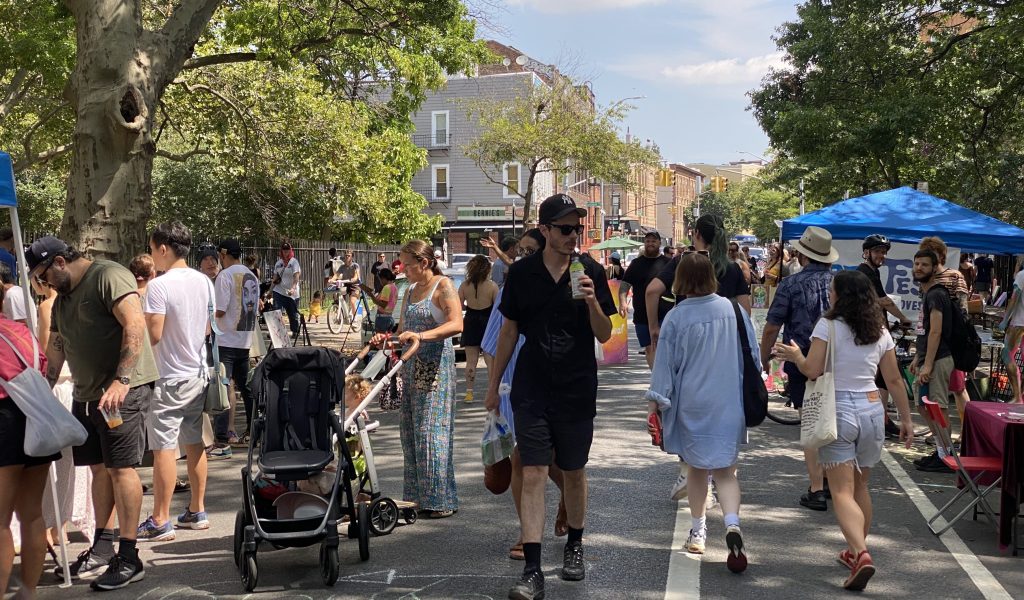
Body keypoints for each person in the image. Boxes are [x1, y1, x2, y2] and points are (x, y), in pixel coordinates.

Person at [485, 194, 615, 600]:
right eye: (564, 228)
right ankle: (533, 569)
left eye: (577, 228)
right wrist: (492, 386)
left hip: (577, 386)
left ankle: (574, 545)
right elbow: (508, 332)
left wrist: (593, 300)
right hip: (532, 388)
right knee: (535, 472)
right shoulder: (522, 274)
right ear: (544, 231)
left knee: (573, 472)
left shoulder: (591, 270)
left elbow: (605, 334)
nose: (573, 235)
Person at [29, 236, 159, 590]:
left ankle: (129, 556)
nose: (42, 284)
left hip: (121, 392)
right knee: (100, 468)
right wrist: (40, 392)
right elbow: (56, 349)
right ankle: (102, 546)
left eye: (43, 275)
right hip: (87, 395)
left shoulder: (108, 275)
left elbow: (134, 325)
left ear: (59, 262)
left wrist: (122, 380)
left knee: (121, 469)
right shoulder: (61, 301)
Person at [773, 270, 914, 591]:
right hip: (872, 410)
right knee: (861, 487)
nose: (830, 295)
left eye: (833, 290)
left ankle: (861, 553)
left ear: (841, 295)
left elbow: (813, 369)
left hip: (838, 410)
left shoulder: (828, 326)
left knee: (840, 491)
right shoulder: (879, 329)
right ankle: (854, 550)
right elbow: (893, 379)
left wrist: (796, 355)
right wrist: (906, 419)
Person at [645, 253, 753, 572]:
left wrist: (655, 403)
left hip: (692, 401)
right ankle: (732, 524)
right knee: (726, 472)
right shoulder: (733, 311)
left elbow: (665, 367)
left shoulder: (677, 317)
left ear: (680, 279)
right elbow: (752, 359)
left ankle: (698, 531)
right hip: (729, 400)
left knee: (696, 470)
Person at [646, 215, 751, 502]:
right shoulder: (732, 269)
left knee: (688, 423)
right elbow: (746, 313)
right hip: (724, 362)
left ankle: (689, 474)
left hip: (689, 357)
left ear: (697, 236)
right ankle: (724, 494)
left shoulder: (685, 262)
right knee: (724, 447)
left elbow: (653, 290)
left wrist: (654, 325)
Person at [481, 229, 569, 562]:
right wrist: (493, 388)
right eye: (521, 252)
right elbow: (492, 346)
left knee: (555, 461)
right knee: (521, 459)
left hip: (554, 384)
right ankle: (526, 532)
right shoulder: (508, 291)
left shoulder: (564, 288)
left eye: (531, 252)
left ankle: (569, 496)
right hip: (514, 388)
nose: (523, 258)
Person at [371, 240, 463, 520]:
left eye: (407, 265)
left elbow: (457, 324)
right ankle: (416, 499)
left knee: (431, 432)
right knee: (410, 432)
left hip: (435, 368)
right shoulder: (409, 290)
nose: (402, 270)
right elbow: (403, 332)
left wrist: (422, 336)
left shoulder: (443, 286)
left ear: (424, 263)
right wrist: (386, 339)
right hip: (412, 368)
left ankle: (440, 499)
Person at [136, 221, 212, 542]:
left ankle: (160, 518)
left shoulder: (159, 286)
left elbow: (153, 334)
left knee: (164, 447)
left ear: (163, 248)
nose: (153, 257)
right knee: (194, 440)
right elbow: (208, 329)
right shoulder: (204, 281)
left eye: (153, 250)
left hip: (169, 377)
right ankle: (197, 509)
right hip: (198, 372)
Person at [759, 226, 836, 511]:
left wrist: (764, 357)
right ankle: (829, 480)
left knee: (811, 422)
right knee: (831, 422)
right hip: (835, 361)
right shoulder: (839, 282)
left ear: (802, 255)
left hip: (800, 358)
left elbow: (772, 326)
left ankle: (816, 487)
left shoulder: (790, 285)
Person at [0, 286, 61, 599]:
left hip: (4, 420)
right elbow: (43, 365)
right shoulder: (20, 331)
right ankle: (28, 590)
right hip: (37, 417)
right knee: (31, 514)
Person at [857, 234, 912, 438]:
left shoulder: (872, 272)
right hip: (870, 331)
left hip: (875, 328)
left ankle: (882, 420)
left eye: (884, 252)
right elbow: (884, 301)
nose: (882, 255)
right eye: (878, 251)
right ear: (867, 252)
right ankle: (878, 420)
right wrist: (904, 318)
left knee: (881, 378)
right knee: (885, 375)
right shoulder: (866, 272)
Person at [909, 250, 956, 474]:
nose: (918, 268)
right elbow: (925, 331)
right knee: (922, 404)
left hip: (939, 358)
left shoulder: (936, 295)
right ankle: (940, 450)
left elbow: (936, 332)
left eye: (924, 265)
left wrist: (927, 364)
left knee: (938, 408)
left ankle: (947, 455)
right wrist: (919, 358)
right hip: (928, 357)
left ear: (935, 268)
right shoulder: (926, 293)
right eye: (916, 264)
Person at [213, 239, 259, 451]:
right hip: (244, 338)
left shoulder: (225, 275)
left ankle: (222, 435)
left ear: (223, 255)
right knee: (246, 387)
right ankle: (253, 430)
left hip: (226, 338)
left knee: (223, 386)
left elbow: (220, 309)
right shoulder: (252, 275)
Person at [620, 231, 670, 369]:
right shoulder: (636, 263)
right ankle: (656, 378)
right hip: (642, 316)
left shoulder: (668, 263)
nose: (650, 244)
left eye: (653, 241)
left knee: (663, 348)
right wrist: (623, 302)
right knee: (649, 348)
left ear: (660, 243)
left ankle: (661, 378)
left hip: (664, 314)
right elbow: (625, 284)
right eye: (647, 241)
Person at [459, 255, 498, 403]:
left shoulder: (464, 285)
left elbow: (459, 305)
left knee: (471, 361)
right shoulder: (492, 286)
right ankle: (492, 390)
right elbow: (497, 309)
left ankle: (469, 393)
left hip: (470, 321)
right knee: (490, 361)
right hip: (488, 323)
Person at [997, 258, 1024, 404]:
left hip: (1019, 323)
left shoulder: (1022, 275)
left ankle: (1018, 397)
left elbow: (1014, 298)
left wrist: (1005, 320)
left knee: (1007, 355)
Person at [272, 242, 302, 335]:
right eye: (284, 250)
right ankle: (277, 331)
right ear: (281, 251)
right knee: (276, 310)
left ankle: (295, 331)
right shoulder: (278, 263)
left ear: (290, 250)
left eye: (287, 250)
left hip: (291, 293)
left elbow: (296, 276)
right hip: (279, 290)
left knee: (292, 314)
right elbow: (275, 278)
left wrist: (293, 288)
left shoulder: (294, 262)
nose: (286, 252)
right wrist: (269, 291)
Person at [361, 268, 398, 333]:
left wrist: (372, 296)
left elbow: (383, 304)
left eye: (380, 279)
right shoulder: (394, 287)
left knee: (379, 340)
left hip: (382, 319)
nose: (380, 282)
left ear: (383, 278)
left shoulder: (386, 287)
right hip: (389, 317)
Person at [336, 250, 362, 331]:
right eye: (346, 255)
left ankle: (355, 319)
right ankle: (343, 315)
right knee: (338, 296)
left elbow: (356, 276)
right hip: (346, 284)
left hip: (355, 285)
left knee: (352, 301)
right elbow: (336, 275)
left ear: (352, 257)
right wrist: (331, 280)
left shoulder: (355, 265)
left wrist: (353, 279)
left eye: (349, 255)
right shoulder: (342, 267)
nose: (347, 257)